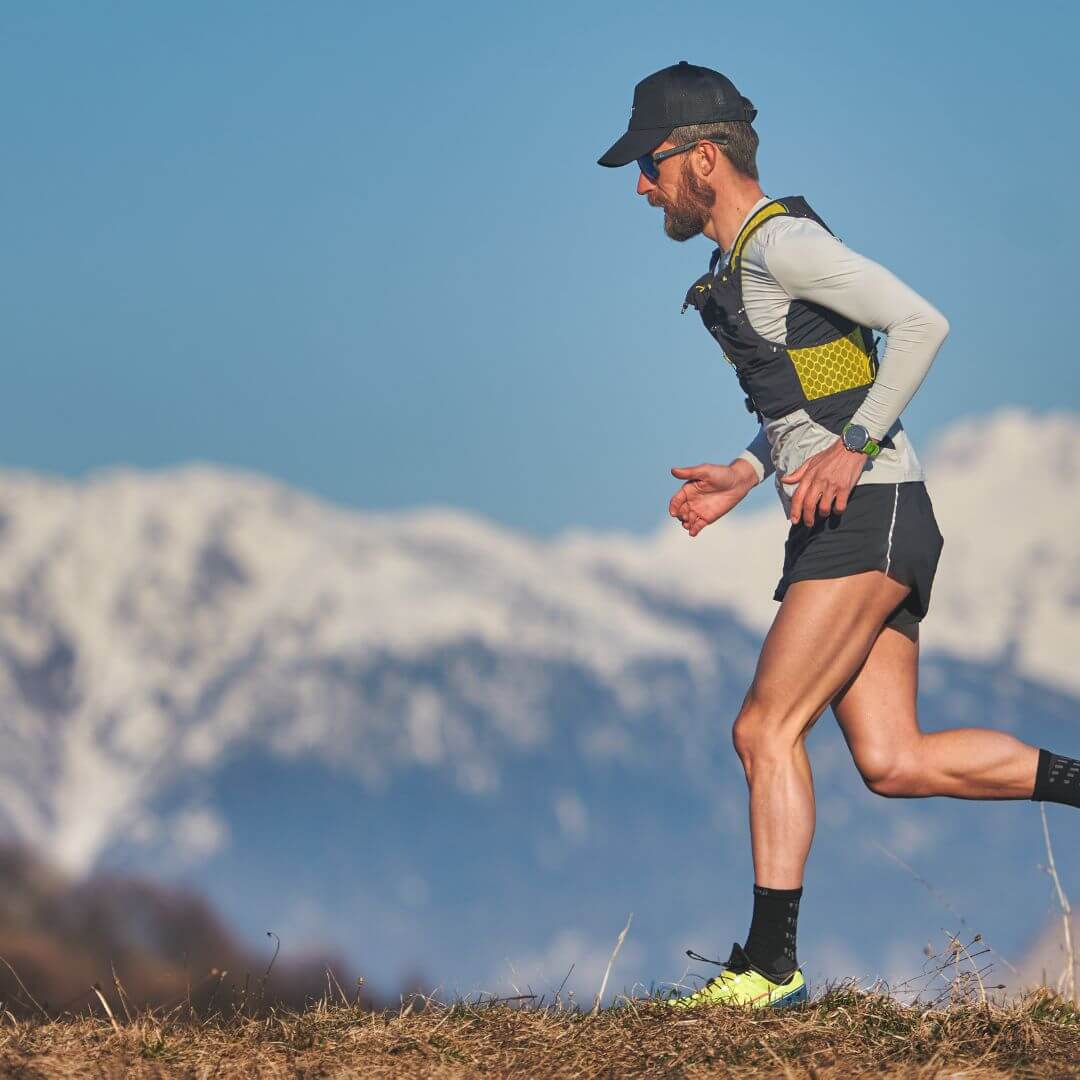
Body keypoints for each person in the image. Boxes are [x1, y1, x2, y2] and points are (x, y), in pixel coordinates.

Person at [597, 61, 1080, 1010]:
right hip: (866, 514)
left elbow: (920, 323)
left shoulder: (785, 246)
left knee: (763, 727)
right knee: (893, 759)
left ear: (701, 157)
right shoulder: (738, 265)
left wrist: (853, 452)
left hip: (870, 513)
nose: (640, 187)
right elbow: (827, 389)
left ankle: (768, 968)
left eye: (647, 167)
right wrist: (748, 469)